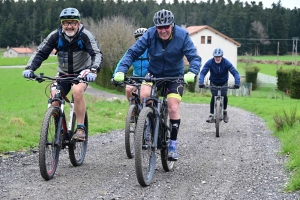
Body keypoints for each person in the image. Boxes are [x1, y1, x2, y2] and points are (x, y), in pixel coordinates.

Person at [113, 9, 201, 161]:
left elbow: (194, 56)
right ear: (156, 27)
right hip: (153, 73)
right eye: (160, 27)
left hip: (175, 76)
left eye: (166, 26)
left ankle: (172, 144)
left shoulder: (182, 35)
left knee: (173, 107)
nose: (163, 30)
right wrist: (121, 69)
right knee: (144, 96)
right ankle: (147, 124)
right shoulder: (150, 34)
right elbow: (132, 52)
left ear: (172, 25)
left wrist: (192, 72)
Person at [22, 7, 103, 141]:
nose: (69, 26)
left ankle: (81, 127)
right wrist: (30, 68)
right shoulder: (55, 36)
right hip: (63, 73)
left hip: (82, 72)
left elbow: (96, 54)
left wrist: (93, 70)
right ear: (61, 24)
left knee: (77, 91)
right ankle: (59, 130)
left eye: (72, 23)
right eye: (65, 23)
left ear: (78, 23)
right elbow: (41, 52)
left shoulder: (85, 36)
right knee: (54, 98)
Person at [198, 48, 240, 123]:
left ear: (221, 56)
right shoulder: (210, 62)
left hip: (224, 82)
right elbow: (202, 73)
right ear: (214, 57)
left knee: (224, 95)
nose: (217, 58)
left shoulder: (226, 62)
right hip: (213, 82)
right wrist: (201, 82)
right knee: (214, 96)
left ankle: (224, 112)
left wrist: (237, 83)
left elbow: (235, 73)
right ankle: (211, 115)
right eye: (216, 57)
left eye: (219, 57)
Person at [113, 28, 149, 102]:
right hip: (136, 78)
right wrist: (116, 75)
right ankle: (132, 110)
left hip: (149, 78)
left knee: (147, 98)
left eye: (143, 38)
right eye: (138, 38)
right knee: (128, 89)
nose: (141, 40)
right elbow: (122, 62)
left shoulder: (151, 50)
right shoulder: (133, 51)